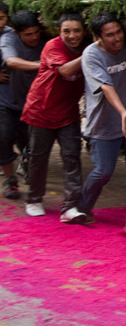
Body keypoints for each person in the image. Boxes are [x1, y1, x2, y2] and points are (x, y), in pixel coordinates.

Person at [66, 13, 126, 230]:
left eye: (119, 32)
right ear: (98, 37)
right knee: (103, 171)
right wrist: (122, 111)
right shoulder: (91, 55)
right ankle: (83, 206)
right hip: (104, 124)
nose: (117, 38)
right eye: (110, 35)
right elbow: (105, 86)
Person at [22, 13, 86, 219]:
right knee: (39, 159)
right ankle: (34, 198)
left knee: (71, 157)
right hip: (41, 110)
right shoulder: (53, 46)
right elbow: (66, 71)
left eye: (77, 30)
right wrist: (91, 54)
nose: (72, 35)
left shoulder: (87, 47)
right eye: (67, 31)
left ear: (84, 32)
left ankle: (70, 206)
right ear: (60, 32)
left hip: (68, 113)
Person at [0, 10, 44, 201]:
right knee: (3, 138)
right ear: (17, 33)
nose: (33, 37)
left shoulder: (47, 40)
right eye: (28, 34)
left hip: (34, 102)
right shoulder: (8, 39)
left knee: (33, 145)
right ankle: (10, 179)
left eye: (36, 32)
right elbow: (10, 60)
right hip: (7, 100)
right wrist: (43, 65)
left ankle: (27, 165)